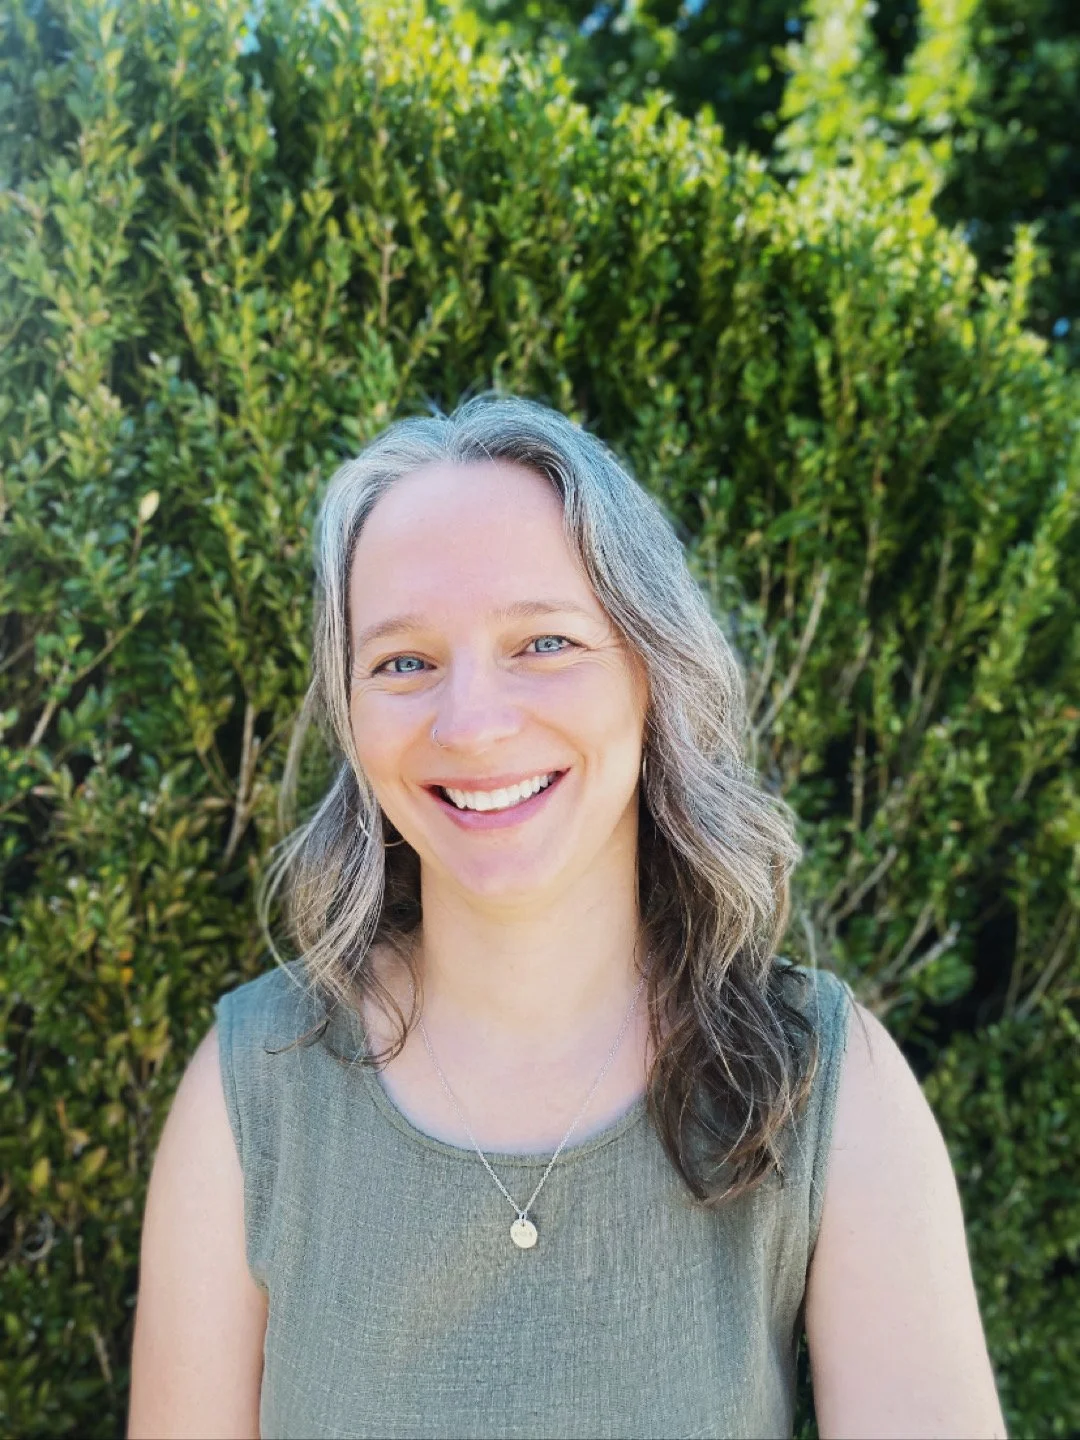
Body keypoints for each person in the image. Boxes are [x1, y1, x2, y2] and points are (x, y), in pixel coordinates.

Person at [127, 393, 1006, 1440]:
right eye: (403, 662)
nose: (474, 723)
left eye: (543, 642)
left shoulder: (824, 1083)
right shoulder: (252, 1091)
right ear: (353, 716)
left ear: (651, 673)